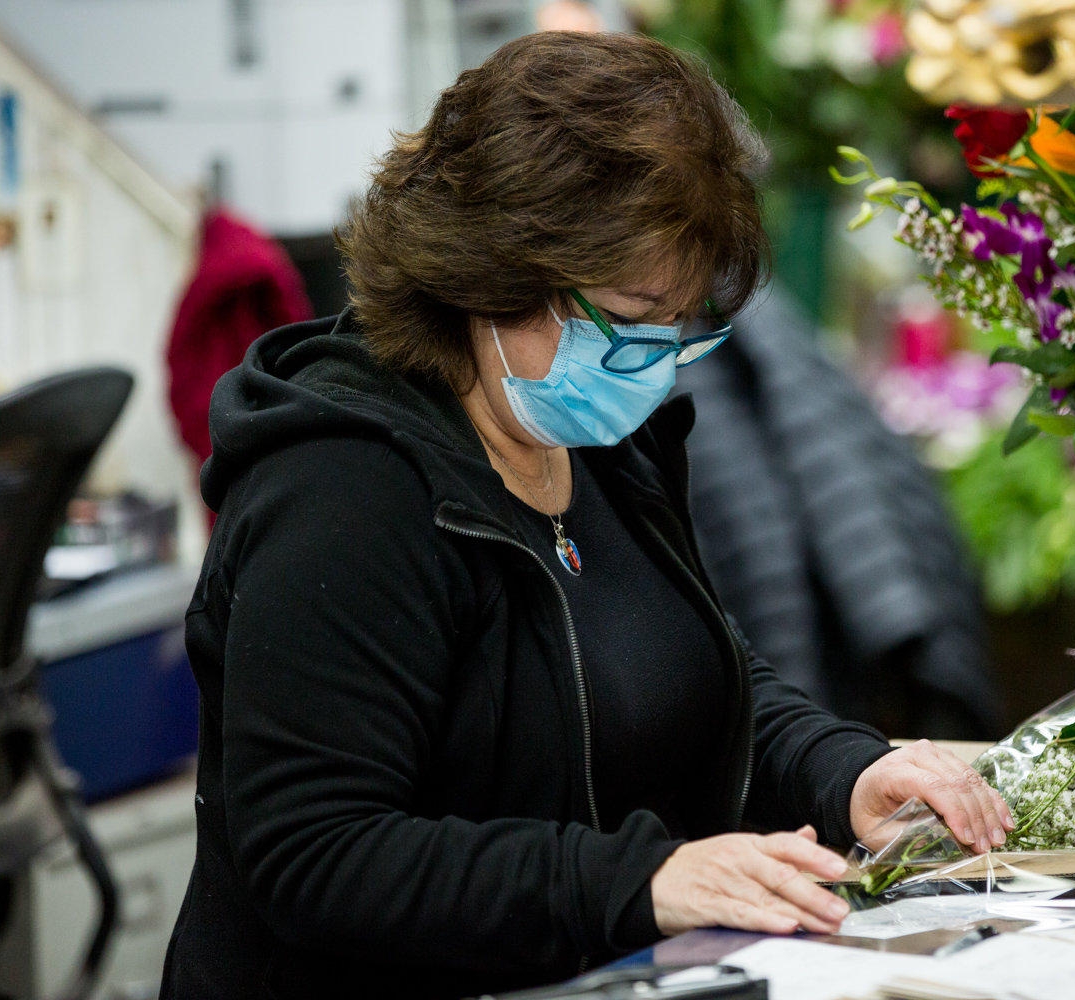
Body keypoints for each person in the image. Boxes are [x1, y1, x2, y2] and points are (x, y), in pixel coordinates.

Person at [159, 31, 1011, 1000]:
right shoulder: (343, 491)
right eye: (629, 315)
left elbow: (693, 678)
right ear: (491, 275)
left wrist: (845, 771)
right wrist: (639, 881)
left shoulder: (594, 437)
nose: (654, 357)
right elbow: (317, 853)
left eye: (679, 322)